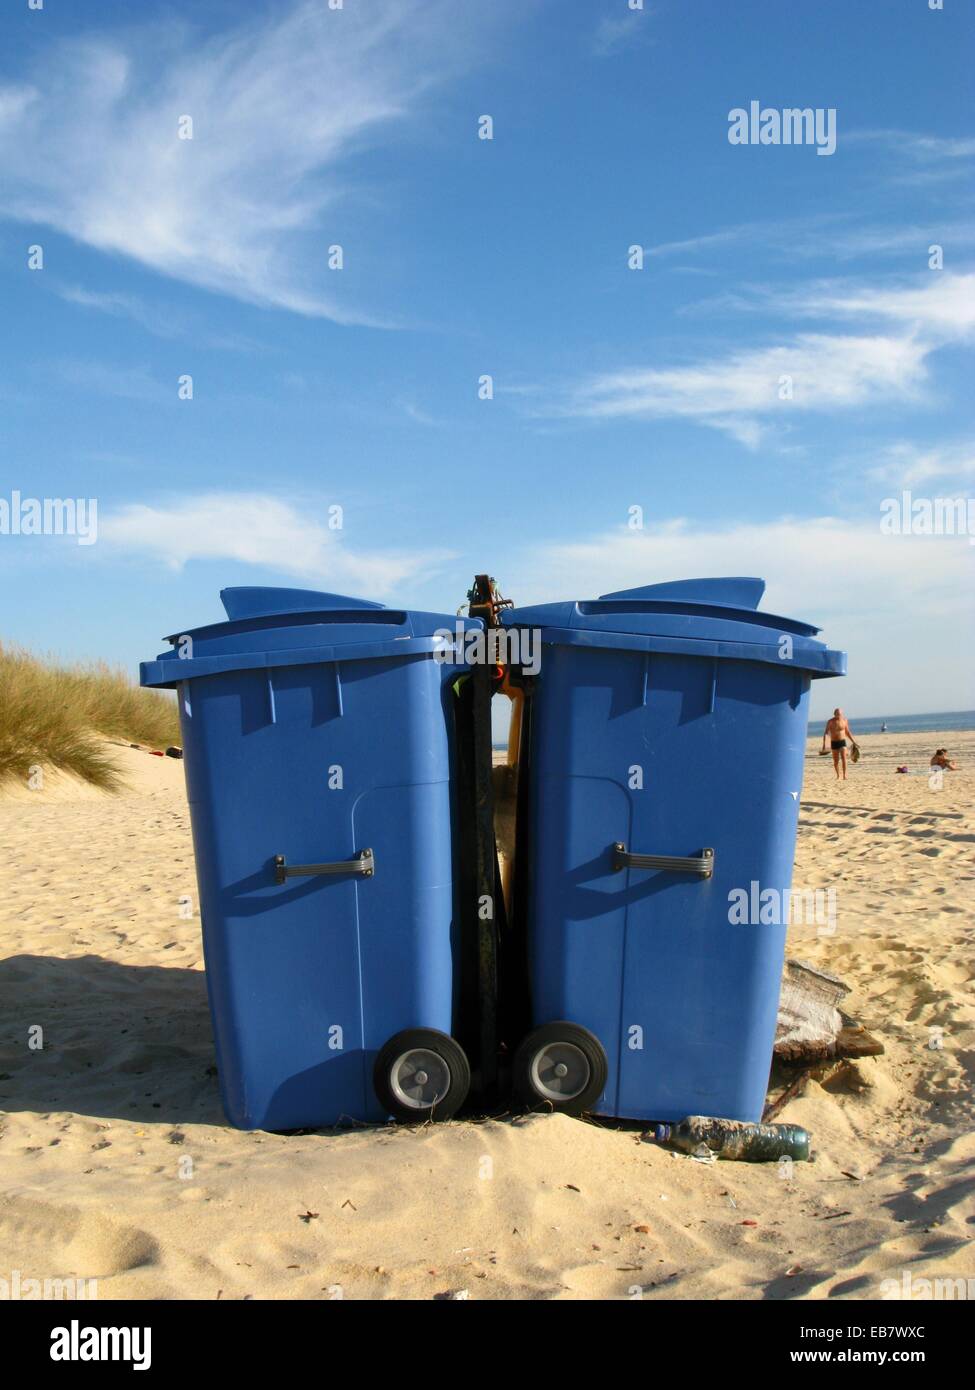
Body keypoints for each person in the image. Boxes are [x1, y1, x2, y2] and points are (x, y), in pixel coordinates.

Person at [821, 708, 858, 780]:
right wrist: (825, 745)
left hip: (842, 742)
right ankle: (838, 775)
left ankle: (844, 775)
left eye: (840, 714)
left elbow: (847, 732)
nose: (839, 715)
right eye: (837, 714)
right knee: (836, 761)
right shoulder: (830, 721)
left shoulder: (845, 720)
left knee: (844, 759)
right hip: (834, 742)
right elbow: (826, 733)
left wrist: (853, 741)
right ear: (834, 714)